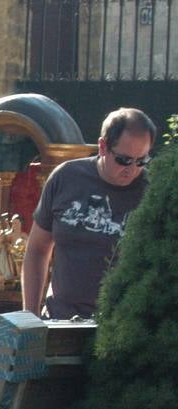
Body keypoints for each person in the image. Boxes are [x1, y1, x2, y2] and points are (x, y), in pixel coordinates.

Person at [21, 107, 155, 319]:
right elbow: (38, 249)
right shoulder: (65, 177)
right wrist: (30, 315)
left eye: (141, 160)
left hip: (122, 327)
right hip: (60, 319)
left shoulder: (153, 192)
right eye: (124, 160)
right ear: (103, 146)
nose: (132, 169)